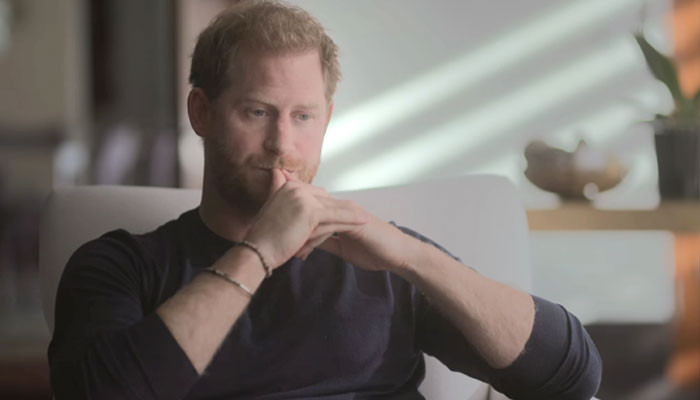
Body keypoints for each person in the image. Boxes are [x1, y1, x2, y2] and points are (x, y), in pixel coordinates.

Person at [48, 1, 602, 399]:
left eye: (303, 116)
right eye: (257, 112)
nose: (282, 143)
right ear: (202, 113)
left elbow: (571, 378)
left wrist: (412, 255)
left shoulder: (383, 260)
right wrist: (260, 252)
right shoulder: (120, 266)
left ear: (327, 119)